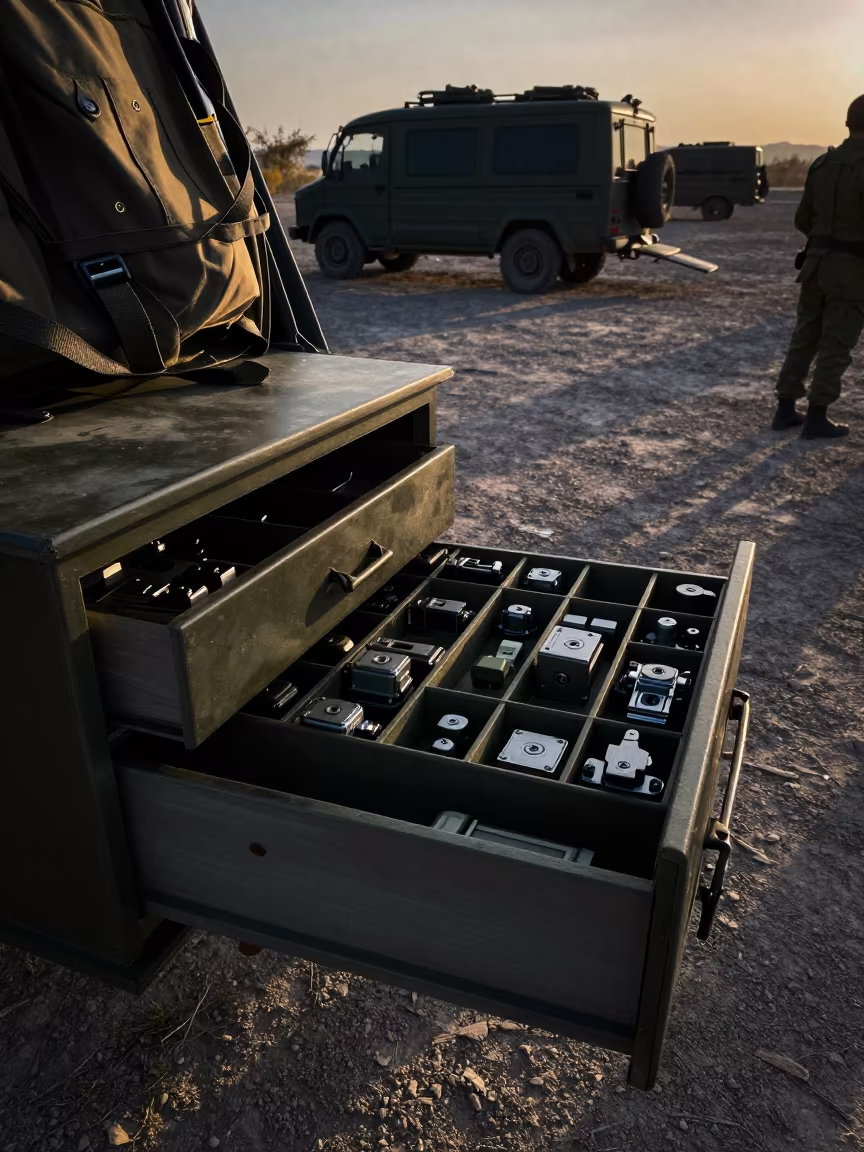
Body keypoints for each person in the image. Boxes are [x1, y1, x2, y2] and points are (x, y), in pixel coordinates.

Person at [772, 95, 864, 439]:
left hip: (814, 265)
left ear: (847, 123)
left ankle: (785, 408)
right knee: (836, 343)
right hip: (852, 271)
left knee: (805, 337)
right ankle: (817, 416)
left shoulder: (822, 164)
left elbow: (803, 219)